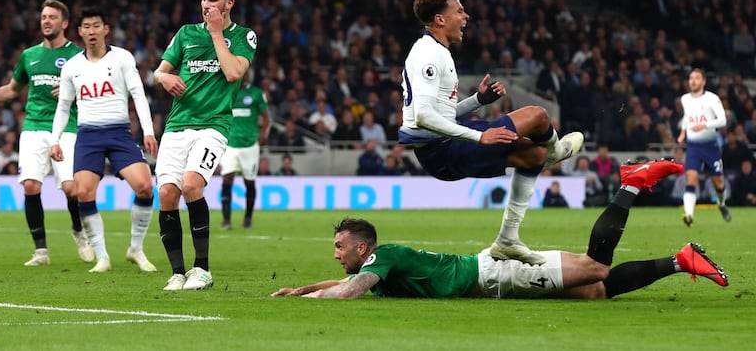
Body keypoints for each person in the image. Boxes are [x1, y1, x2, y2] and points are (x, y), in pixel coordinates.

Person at [272, 160, 728, 299]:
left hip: (496, 275)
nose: (336, 253)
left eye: (340, 246)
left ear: (362, 246)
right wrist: (300, 289)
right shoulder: (378, 262)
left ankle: (630, 184)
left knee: (594, 268)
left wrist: (311, 300)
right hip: (491, 272)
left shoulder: (381, 258)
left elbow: (350, 290)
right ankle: (680, 260)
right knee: (595, 291)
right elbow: (347, 281)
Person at [397, 0, 583, 265]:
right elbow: (423, 117)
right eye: (459, 11)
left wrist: (477, 101)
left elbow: (439, 115)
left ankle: (507, 240)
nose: (466, 16)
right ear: (440, 19)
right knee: (538, 116)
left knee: (534, 155)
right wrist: (478, 137)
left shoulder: (436, 50)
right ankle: (558, 151)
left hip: (442, 149)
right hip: (443, 150)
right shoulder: (428, 53)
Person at [0, 0, 94, 266]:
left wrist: (76, 91)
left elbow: (94, 91)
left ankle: (79, 231)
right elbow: (12, 89)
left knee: (72, 189)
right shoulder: (29, 55)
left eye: (52, 17)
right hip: (33, 126)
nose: (46, 21)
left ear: (65, 23)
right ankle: (41, 251)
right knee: (31, 186)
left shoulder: (77, 57)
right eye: (43, 17)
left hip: (66, 126)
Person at [153, 0, 256, 291]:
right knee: (168, 194)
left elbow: (233, 72)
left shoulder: (244, 37)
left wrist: (215, 34)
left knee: (191, 185)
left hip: (213, 125)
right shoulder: (185, 34)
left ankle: (202, 269)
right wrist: (163, 78)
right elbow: (160, 70)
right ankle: (177, 272)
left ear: (229, 3)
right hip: (177, 125)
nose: (206, 5)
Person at [50, 6, 159, 274]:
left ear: (106, 29)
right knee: (84, 192)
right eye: (86, 27)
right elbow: (63, 107)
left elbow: (138, 94)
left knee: (145, 186)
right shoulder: (72, 67)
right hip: (88, 135)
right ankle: (102, 256)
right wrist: (55, 140)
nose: (91, 31)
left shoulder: (122, 58)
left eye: (96, 25)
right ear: (79, 32)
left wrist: (148, 131)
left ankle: (136, 249)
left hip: (119, 133)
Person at [676, 68, 731, 226]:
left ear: (703, 81)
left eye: (697, 78)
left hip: (710, 146)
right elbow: (687, 116)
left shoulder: (712, 99)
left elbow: (722, 120)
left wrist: (705, 125)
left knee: (719, 183)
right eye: (691, 78)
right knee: (691, 179)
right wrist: (682, 132)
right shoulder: (685, 99)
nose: (693, 81)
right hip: (693, 146)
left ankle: (721, 204)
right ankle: (689, 215)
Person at [219, 70, 271, 230]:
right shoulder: (226, 91)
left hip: (250, 145)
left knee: (249, 181)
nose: (243, 76)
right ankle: (226, 220)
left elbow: (266, 117)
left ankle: (247, 218)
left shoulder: (256, 94)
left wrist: (263, 134)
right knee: (227, 179)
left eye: (246, 74)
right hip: (230, 144)